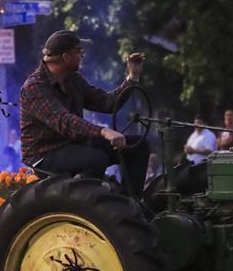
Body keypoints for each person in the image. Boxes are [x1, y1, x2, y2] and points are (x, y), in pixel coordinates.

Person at [20, 30, 149, 196]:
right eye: (78, 51)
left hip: (74, 146)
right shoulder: (35, 86)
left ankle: (131, 203)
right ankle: (84, 205)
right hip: (45, 156)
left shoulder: (73, 80)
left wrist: (132, 77)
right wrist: (102, 131)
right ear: (66, 57)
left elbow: (107, 103)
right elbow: (64, 120)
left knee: (138, 145)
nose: (82, 55)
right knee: (95, 159)